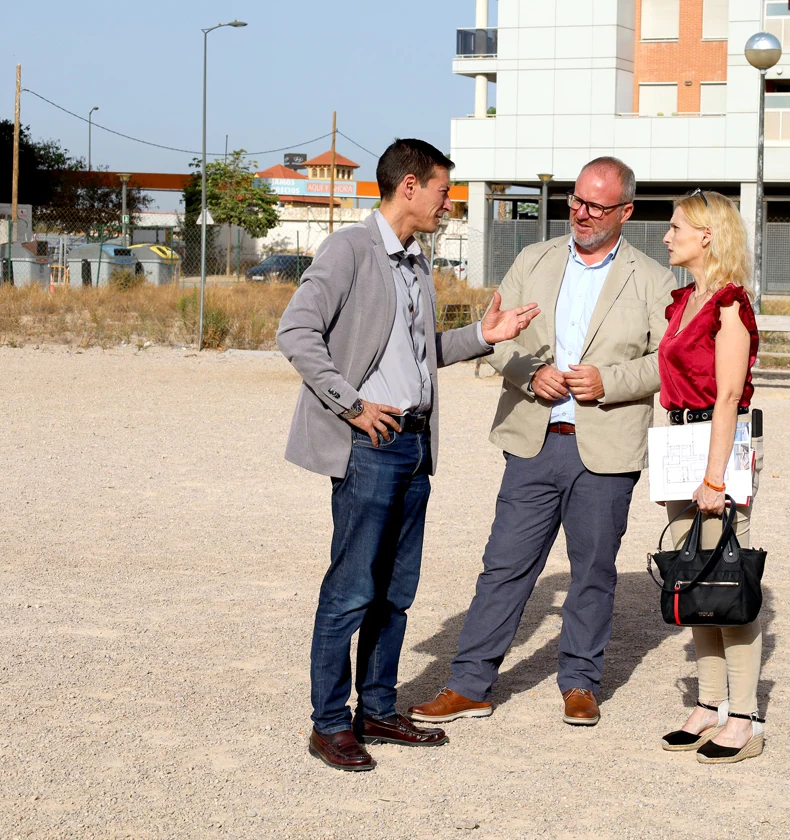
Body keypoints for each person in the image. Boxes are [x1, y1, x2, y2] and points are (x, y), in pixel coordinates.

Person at [276, 138, 539, 772]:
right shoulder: (350, 250)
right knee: (351, 591)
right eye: (445, 192)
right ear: (411, 186)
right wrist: (352, 404)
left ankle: (378, 708)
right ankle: (330, 723)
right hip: (371, 444)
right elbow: (295, 332)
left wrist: (484, 336)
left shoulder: (416, 259)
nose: (449, 204)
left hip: (416, 444)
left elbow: (423, 354)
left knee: (396, 591)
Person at [408, 157, 676, 727]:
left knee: (594, 571)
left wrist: (612, 381)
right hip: (534, 438)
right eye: (576, 201)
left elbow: (667, 361)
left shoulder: (654, 278)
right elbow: (495, 338)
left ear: (626, 212)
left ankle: (580, 681)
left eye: (597, 206)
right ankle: (469, 683)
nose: (581, 213)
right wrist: (529, 375)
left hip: (606, 446)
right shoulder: (533, 260)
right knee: (503, 566)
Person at [654, 190, 763, 765]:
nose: (667, 237)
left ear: (708, 237)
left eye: (677, 228)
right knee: (692, 577)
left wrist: (715, 478)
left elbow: (727, 397)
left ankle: (743, 716)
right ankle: (708, 703)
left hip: (714, 449)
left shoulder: (728, 306)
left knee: (725, 579)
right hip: (681, 445)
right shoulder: (685, 301)